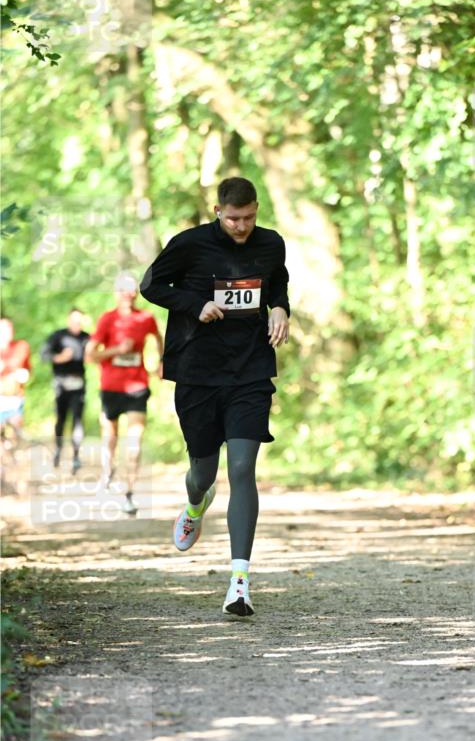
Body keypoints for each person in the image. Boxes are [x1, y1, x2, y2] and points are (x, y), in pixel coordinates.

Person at [140, 176, 290, 618]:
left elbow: (277, 283)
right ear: (218, 211)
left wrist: (280, 308)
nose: (242, 226)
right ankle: (194, 505)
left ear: (257, 209)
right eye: (233, 218)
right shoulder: (190, 245)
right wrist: (195, 305)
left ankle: (239, 582)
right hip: (198, 372)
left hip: (250, 371)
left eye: (249, 217)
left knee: (242, 468)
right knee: (202, 473)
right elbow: (152, 285)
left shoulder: (270, 243)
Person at [85, 274, 163, 515]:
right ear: (116, 293)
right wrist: (116, 350)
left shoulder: (145, 318)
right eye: (123, 290)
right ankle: (108, 472)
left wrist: (161, 362)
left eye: (132, 290)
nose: (128, 294)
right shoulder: (107, 319)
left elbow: (159, 338)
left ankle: (130, 493)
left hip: (137, 387)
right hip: (110, 387)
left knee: (134, 441)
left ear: (137, 293)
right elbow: (90, 355)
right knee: (110, 437)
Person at [40, 308, 90, 473]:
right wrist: (60, 357)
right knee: (61, 419)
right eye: (74, 320)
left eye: (79, 321)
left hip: (78, 384)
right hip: (60, 384)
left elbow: (94, 355)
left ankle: (76, 456)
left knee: (77, 420)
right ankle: (58, 449)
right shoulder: (58, 336)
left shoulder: (86, 338)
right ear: (68, 320)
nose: (77, 324)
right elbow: (44, 355)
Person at [0, 317, 31, 440]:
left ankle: (12, 448)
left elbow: (22, 367)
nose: (8, 331)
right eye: (4, 329)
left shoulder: (21, 346)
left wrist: (6, 367)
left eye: (9, 328)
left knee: (15, 430)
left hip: (14, 397)